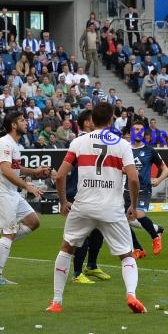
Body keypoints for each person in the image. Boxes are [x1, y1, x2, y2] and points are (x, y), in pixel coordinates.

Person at [47, 102, 146, 314]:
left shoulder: (79, 142)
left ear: (92, 121)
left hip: (83, 206)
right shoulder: (122, 145)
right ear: (111, 120)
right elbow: (134, 179)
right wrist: (134, 206)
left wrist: (63, 202)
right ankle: (131, 295)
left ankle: (56, 301)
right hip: (111, 208)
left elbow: (61, 175)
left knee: (66, 248)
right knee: (127, 255)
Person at [0, 111, 51, 285]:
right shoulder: (5, 143)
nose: (25, 122)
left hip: (11, 192)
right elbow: (6, 170)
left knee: (33, 222)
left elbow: (16, 168)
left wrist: (35, 171)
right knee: (9, 232)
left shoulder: (14, 145)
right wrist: (27, 186)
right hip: (1, 193)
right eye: (22, 120)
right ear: (14, 125)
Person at [63, 110, 110, 284]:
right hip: (79, 193)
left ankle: (91, 265)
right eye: (92, 120)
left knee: (98, 232)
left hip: (96, 193)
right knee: (83, 234)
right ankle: (76, 273)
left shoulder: (96, 141)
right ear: (86, 123)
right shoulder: (79, 142)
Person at [126, 123, 168, 257]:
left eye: (141, 130)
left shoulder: (150, 150)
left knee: (138, 214)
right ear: (131, 133)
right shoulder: (124, 149)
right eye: (136, 129)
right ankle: (138, 249)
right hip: (126, 190)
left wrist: (159, 179)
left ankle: (155, 236)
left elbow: (166, 169)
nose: (138, 132)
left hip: (144, 189)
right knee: (121, 221)